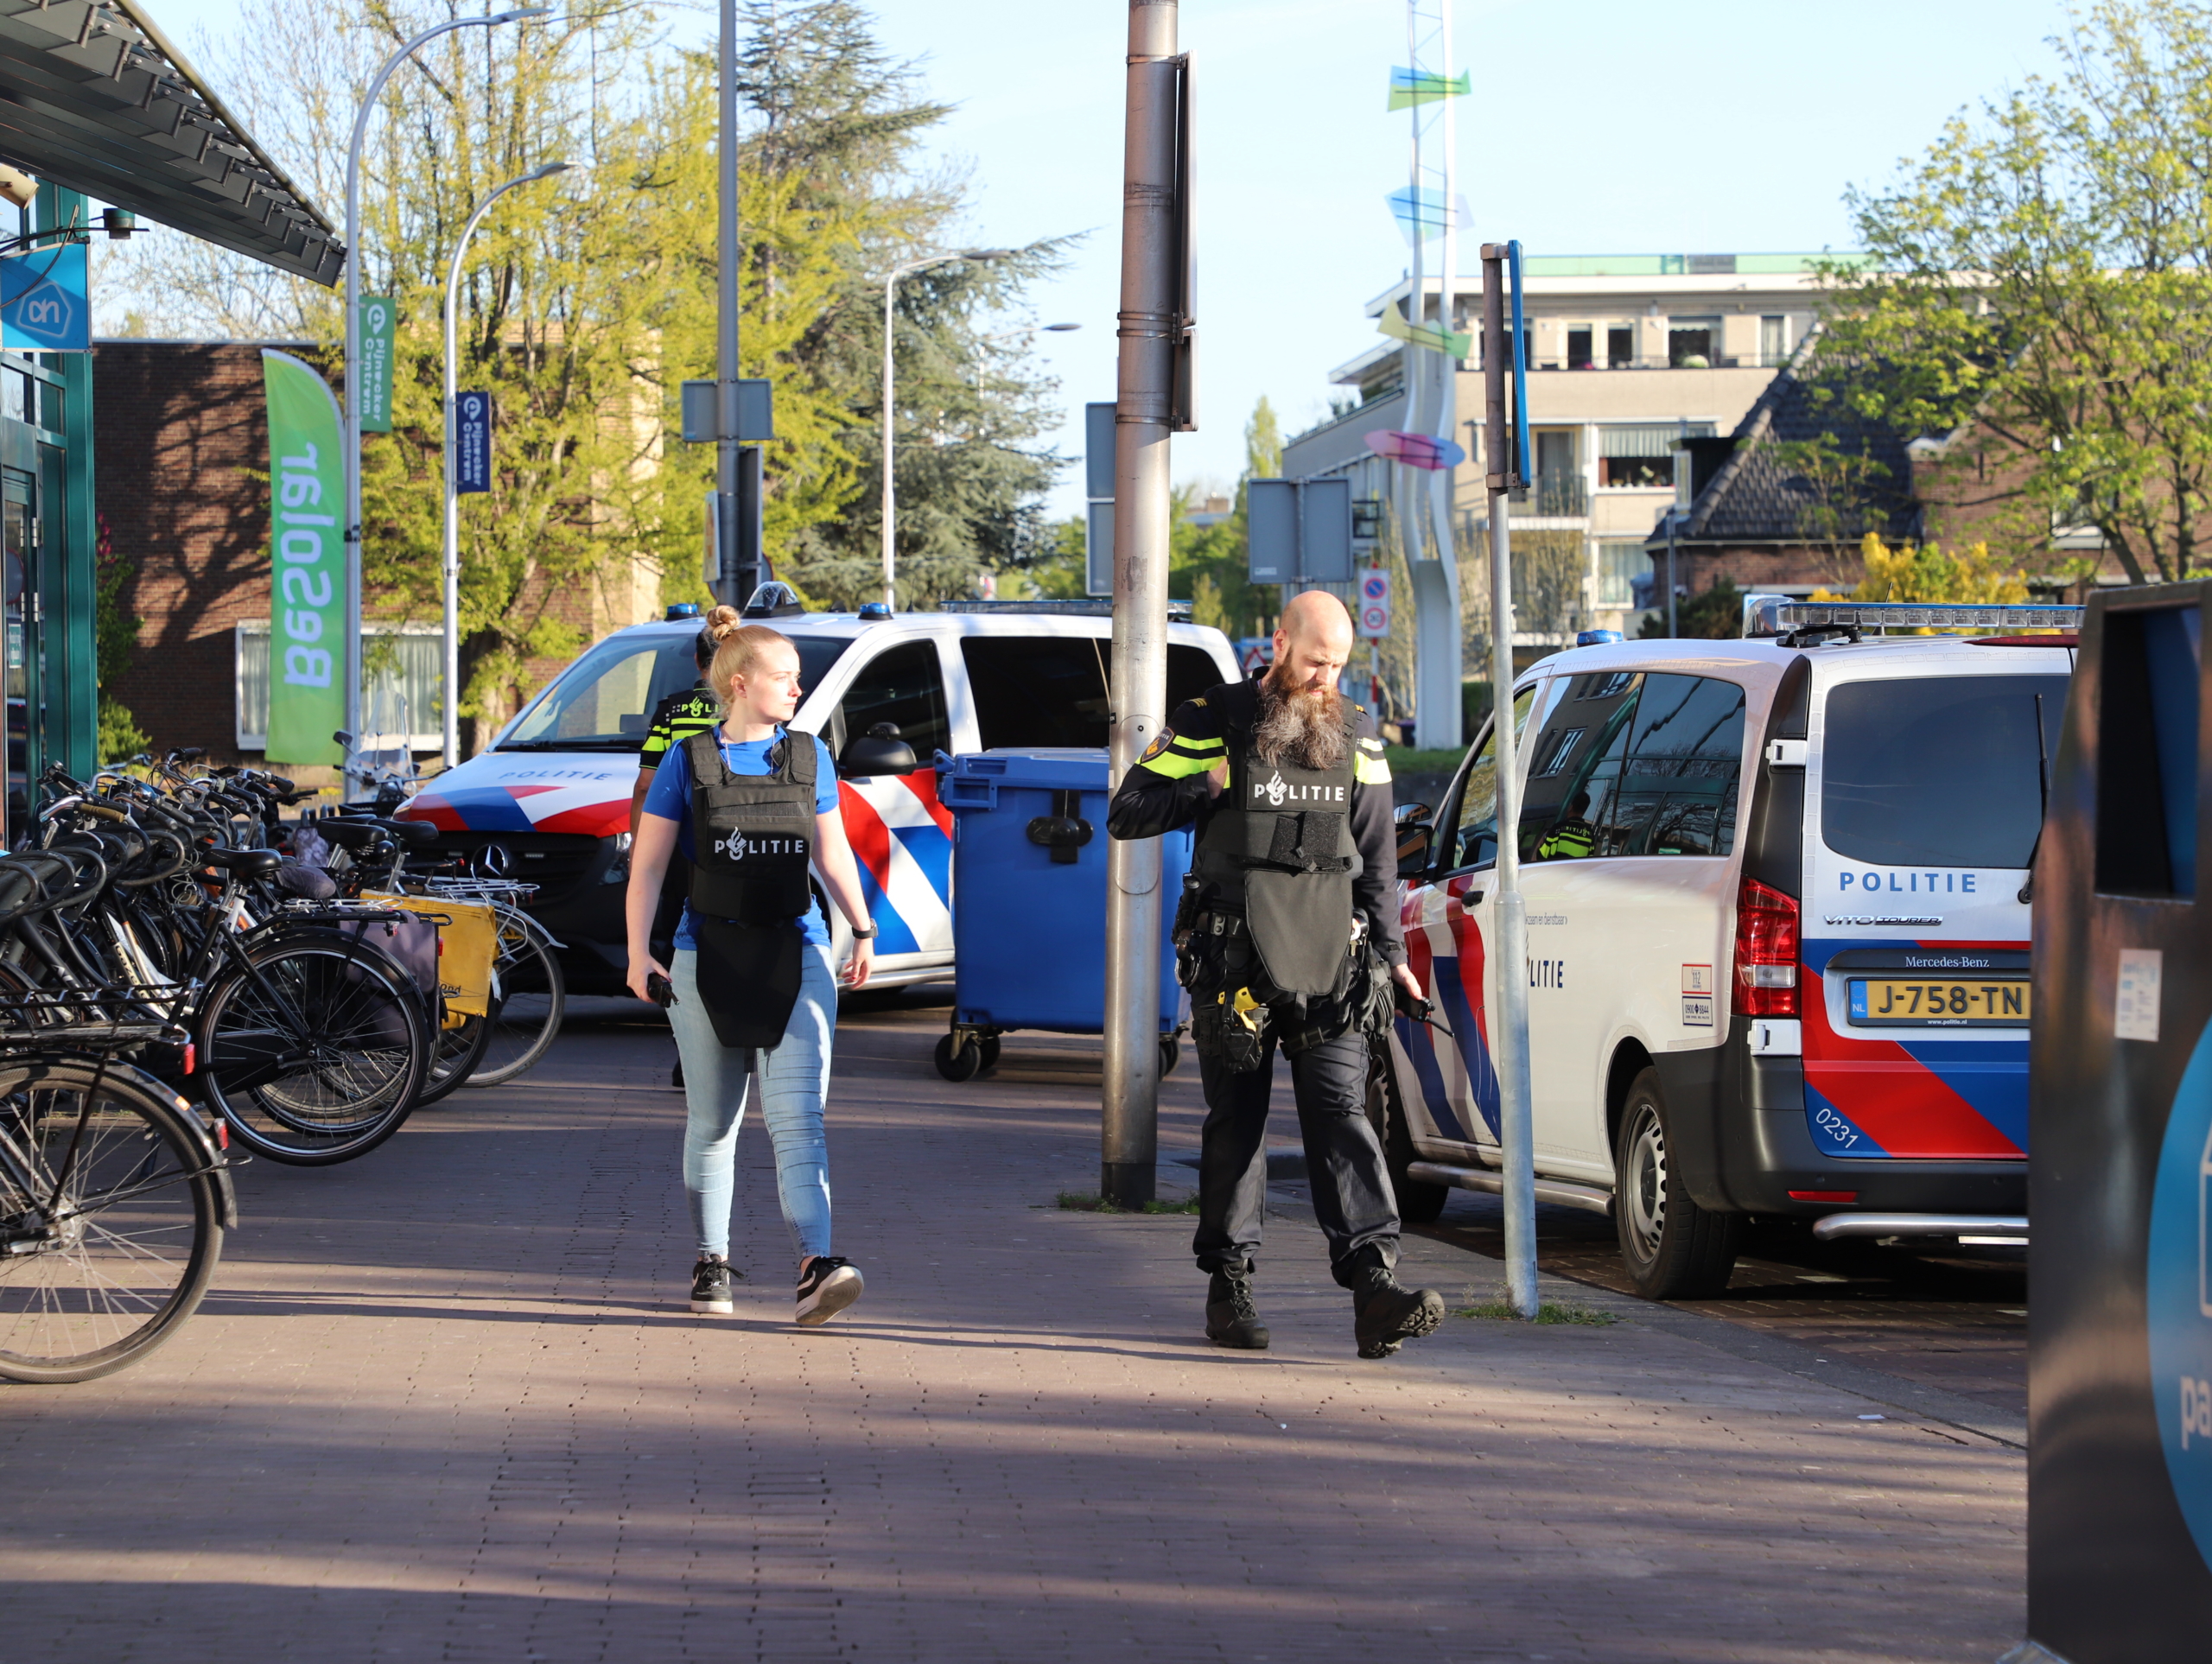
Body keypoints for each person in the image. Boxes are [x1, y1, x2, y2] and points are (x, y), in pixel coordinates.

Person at [1107, 590, 1446, 1360]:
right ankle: (1229, 1286)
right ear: (1279, 643)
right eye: (1316, 660)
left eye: (1339, 665)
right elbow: (1128, 810)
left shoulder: (1358, 733)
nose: (1327, 677)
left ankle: (1374, 1287)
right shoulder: (1212, 719)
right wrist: (1208, 789)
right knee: (1240, 1121)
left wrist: (1393, 958)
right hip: (1235, 962)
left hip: (1332, 958)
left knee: (1341, 1111)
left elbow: (1380, 859)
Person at [626, 606, 877, 1326]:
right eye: (786, 677)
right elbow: (647, 868)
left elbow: (832, 855)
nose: (798, 690)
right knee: (713, 1122)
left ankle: (816, 1264)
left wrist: (861, 928)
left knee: (799, 1118)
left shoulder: (809, 757)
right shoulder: (689, 759)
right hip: (705, 956)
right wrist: (641, 952)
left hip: (795, 952)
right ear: (740, 684)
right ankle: (712, 1262)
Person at [632, 626, 724, 1091]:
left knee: (680, 946)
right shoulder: (742, 707)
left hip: (680, 843)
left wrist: (640, 846)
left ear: (696, 661)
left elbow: (648, 782)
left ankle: (688, 1055)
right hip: (731, 846)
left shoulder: (671, 709)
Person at [1537, 790, 1597, 861]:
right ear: (1584, 811)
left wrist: (1542, 839)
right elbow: (1589, 861)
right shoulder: (1590, 835)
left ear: (1571, 807)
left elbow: (1541, 857)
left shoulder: (1557, 829)